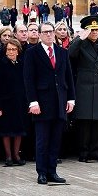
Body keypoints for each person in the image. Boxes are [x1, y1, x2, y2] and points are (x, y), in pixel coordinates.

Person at [24, 22, 75, 184]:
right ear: (39, 35)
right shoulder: (32, 53)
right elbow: (28, 80)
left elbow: (69, 77)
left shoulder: (61, 52)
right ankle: (42, 172)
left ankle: (52, 171)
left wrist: (71, 99)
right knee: (42, 140)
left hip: (59, 102)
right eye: (45, 32)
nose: (49, 35)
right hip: (42, 103)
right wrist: (33, 102)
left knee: (55, 140)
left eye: (51, 32)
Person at [68, 16, 98, 163]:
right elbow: (70, 54)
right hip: (84, 87)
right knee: (84, 122)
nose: (94, 32)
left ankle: (95, 151)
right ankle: (84, 151)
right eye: (91, 30)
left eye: (96, 29)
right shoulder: (80, 45)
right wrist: (80, 38)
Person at [0, 39, 27, 166]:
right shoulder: (1, 66)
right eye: (8, 49)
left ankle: (16, 155)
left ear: (18, 51)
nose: (11, 52)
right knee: (6, 130)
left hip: (20, 103)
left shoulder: (22, 64)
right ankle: (8, 156)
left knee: (19, 130)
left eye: (14, 49)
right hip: (5, 103)